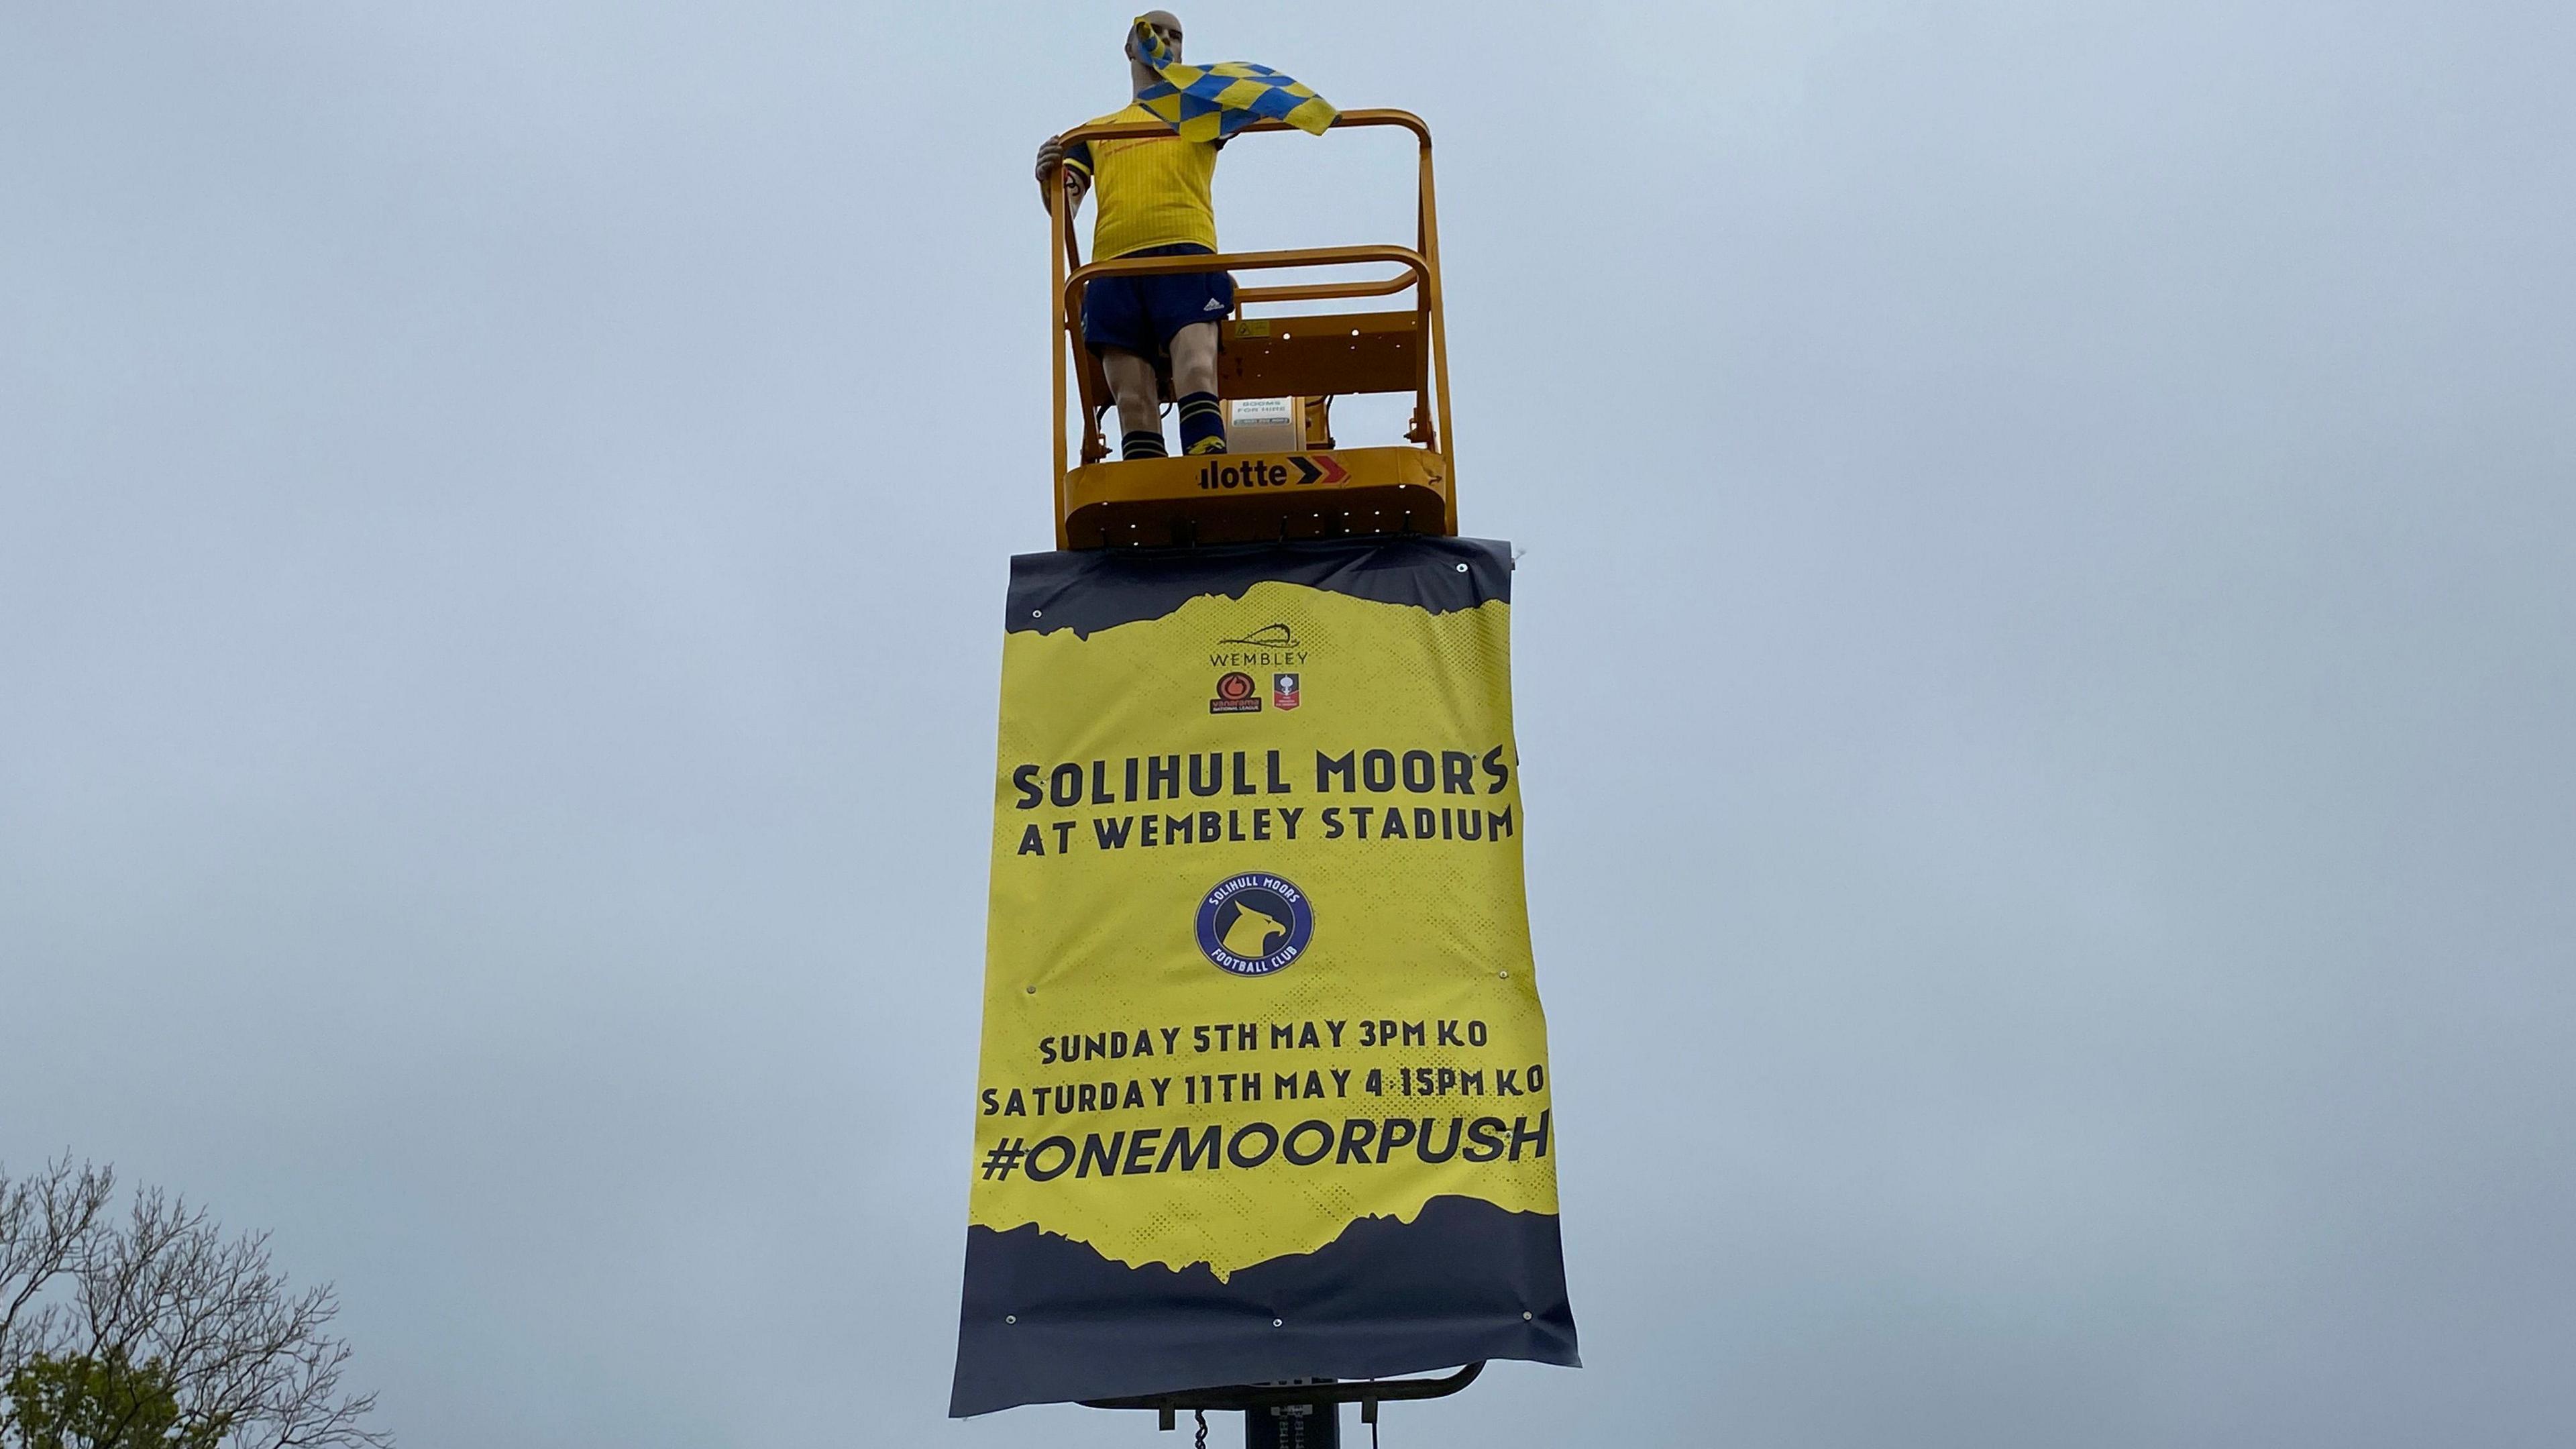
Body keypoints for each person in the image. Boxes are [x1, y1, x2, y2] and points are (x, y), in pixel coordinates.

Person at [1034, 11, 1231, 461]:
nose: (1165, 41)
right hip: (1115, 269)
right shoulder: (1094, 133)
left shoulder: (1198, 117)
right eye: (1153, 33)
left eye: (1175, 36)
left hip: (1186, 256)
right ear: (1129, 48)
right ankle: (1147, 479)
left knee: (1197, 370)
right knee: (1132, 399)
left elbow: (1249, 105)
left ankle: (1208, 467)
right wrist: (1049, 177)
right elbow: (1066, 207)